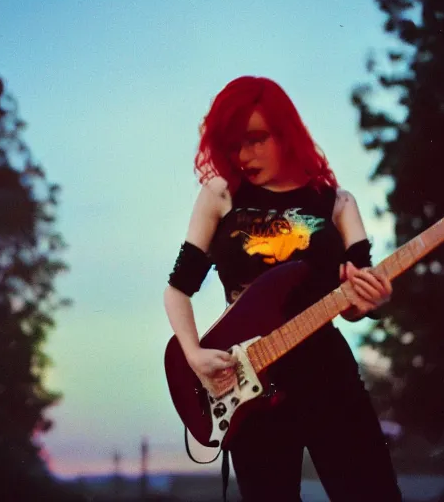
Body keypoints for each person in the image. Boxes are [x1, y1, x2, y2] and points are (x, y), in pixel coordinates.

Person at [164, 76, 403, 501]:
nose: (243, 156)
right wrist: (195, 356)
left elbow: (356, 297)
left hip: (327, 373)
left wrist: (373, 299)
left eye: (256, 139)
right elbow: (178, 290)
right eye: (235, 144)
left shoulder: (337, 203)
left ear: (286, 133)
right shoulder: (221, 195)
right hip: (251, 381)